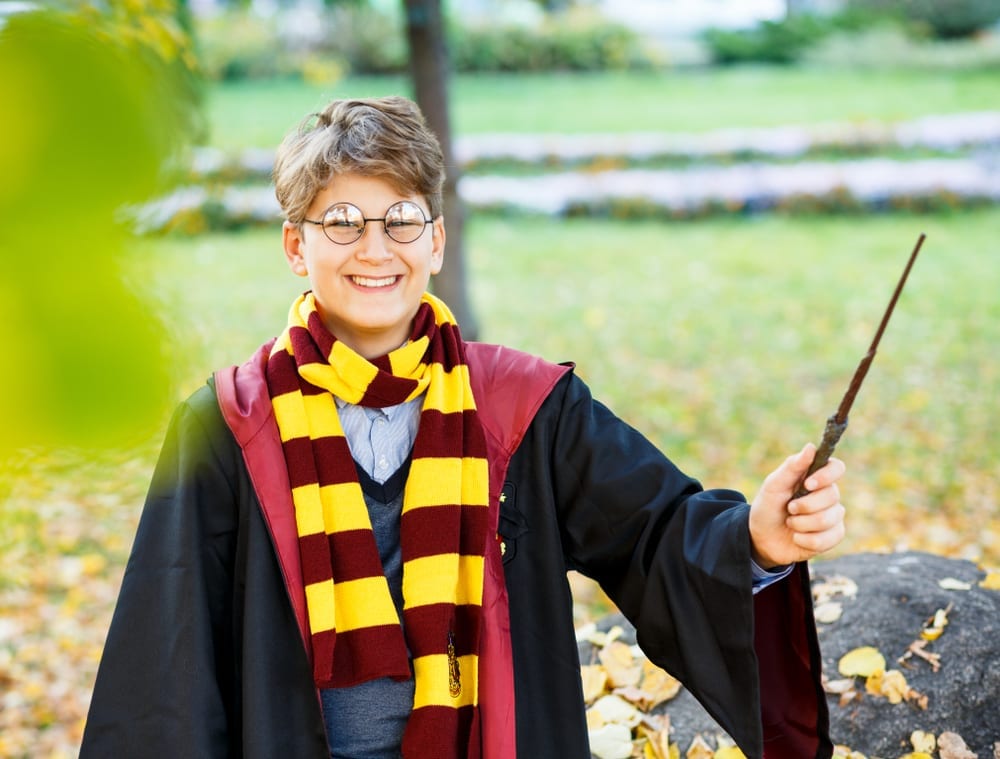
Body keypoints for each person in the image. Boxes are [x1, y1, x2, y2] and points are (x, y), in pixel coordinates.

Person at [81, 96, 846, 759]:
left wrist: (756, 540)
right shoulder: (229, 425)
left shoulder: (523, 407)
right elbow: (167, 664)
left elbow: (653, 530)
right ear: (295, 246)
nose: (375, 249)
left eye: (401, 220)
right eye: (341, 222)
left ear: (436, 241)